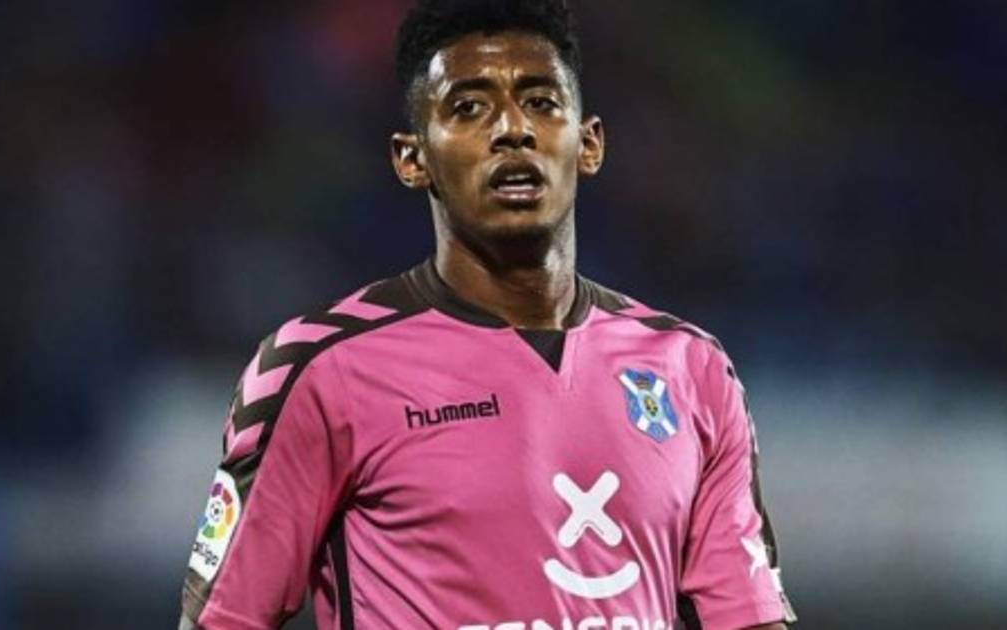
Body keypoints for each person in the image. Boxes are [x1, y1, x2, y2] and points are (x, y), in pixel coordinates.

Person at [179, 1, 797, 628]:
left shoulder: (690, 370)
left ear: (589, 144)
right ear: (412, 159)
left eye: (541, 102)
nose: (513, 129)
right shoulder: (319, 370)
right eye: (469, 107)